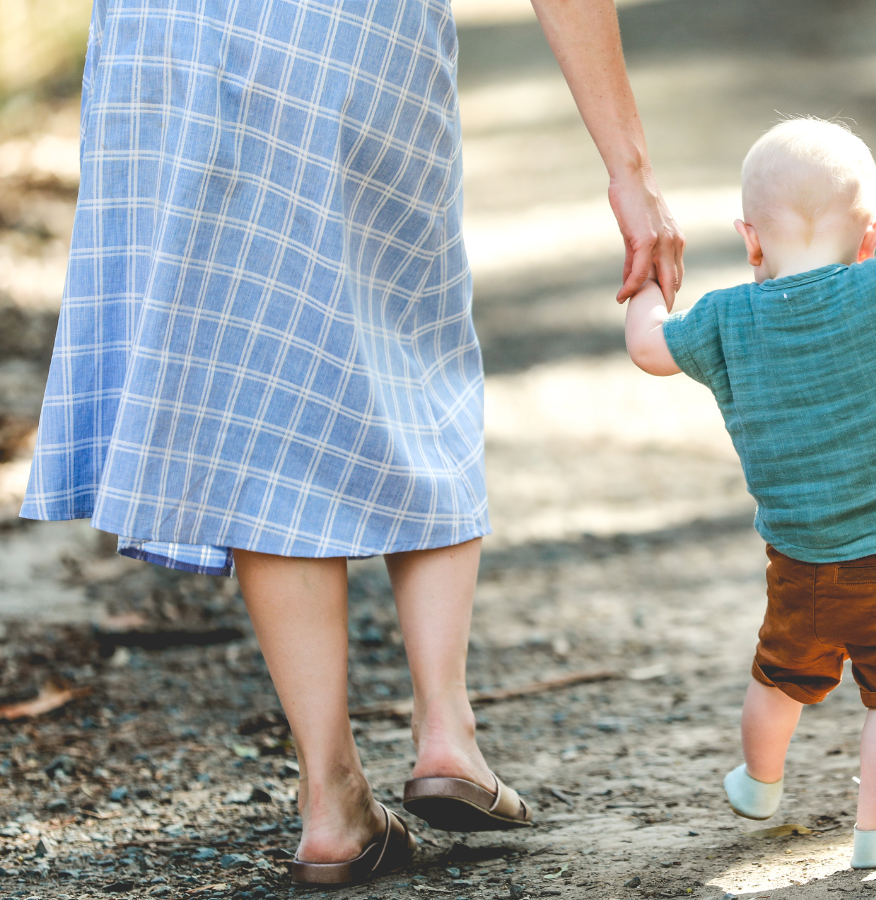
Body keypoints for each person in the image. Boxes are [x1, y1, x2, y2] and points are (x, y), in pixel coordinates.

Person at [21, 0, 683, 886]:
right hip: (344, 31)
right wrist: (630, 170)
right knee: (413, 348)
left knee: (256, 383)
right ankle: (445, 731)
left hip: (161, 40)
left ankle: (331, 799)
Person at [623, 117, 876, 869]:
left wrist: (647, 282)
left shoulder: (725, 317)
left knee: (778, 678)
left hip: (800, 563)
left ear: (750, 240)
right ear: (869, 236)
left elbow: (649, 347)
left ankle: (759, 781)